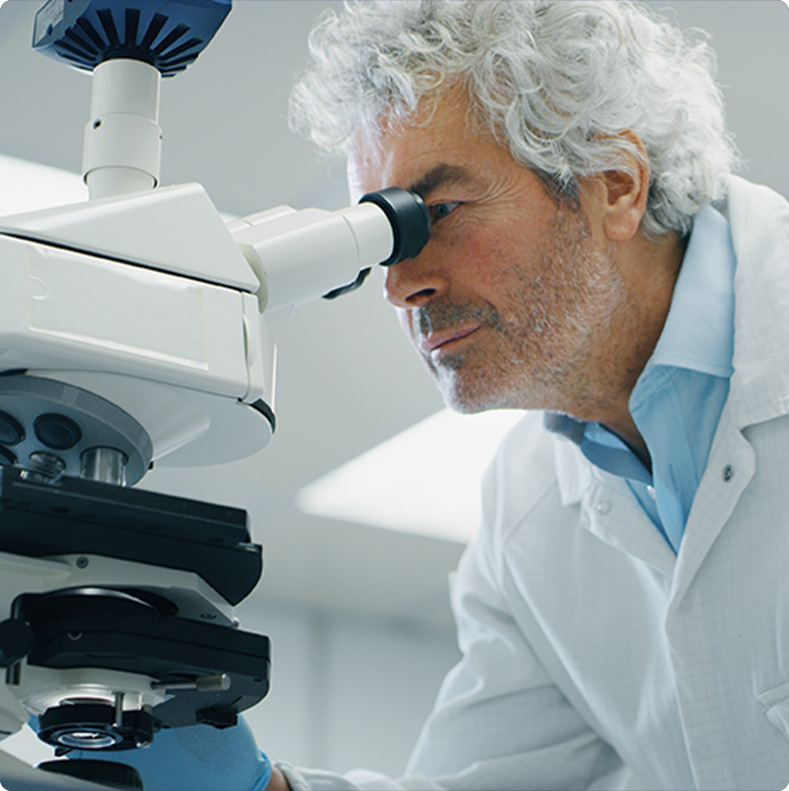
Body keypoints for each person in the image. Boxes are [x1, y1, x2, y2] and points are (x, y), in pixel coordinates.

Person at [69, 1, 789, 789]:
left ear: (613, 186)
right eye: (384, 236)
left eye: (437, 211)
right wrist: (252, 787)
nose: (401, 285)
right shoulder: (528, 511)